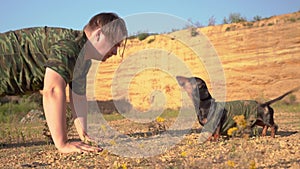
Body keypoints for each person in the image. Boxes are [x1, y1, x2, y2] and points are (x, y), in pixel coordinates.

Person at [0, 12, 128, 153]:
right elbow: (52, 90)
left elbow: (78, 96)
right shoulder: (69, 47)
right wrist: (62, 144)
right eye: (114, 44)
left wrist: (84, 134)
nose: (116, 51)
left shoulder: (83, 58)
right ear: (98, 34)